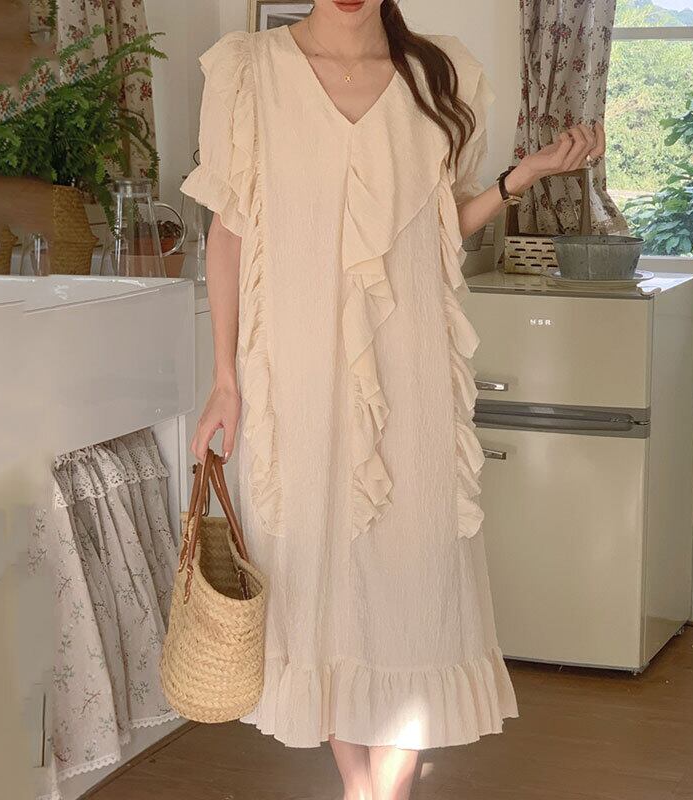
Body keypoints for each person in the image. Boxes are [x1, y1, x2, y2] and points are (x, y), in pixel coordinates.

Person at [183, 1, 605, 798]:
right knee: (318, 583)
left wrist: (521, 178)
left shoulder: (438, 74)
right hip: (295, 376)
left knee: (418, 584)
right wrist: (225, 377)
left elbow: (443, 223)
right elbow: (230, 232)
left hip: (413, 372)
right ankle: (363, 788)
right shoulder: (249, 72)